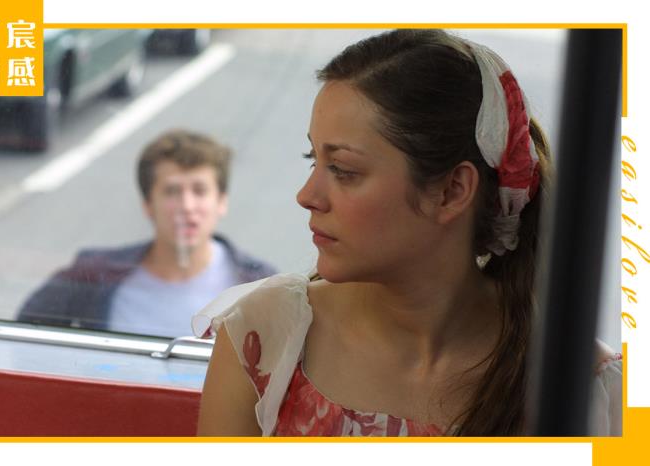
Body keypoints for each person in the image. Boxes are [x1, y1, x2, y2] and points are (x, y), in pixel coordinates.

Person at [194, 30, 622, 436]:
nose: (307, 196)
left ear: (453, 191)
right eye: (314, 160)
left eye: (343, 169)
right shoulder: (265, 339)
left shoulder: (591, 390)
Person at [17, 129, 277, 337]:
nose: (187, 206)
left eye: (199, 191)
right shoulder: (94, 274)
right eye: (172, 192)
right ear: (148, 205)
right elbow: (23, 335)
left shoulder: (260, 285)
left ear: (221, 202)